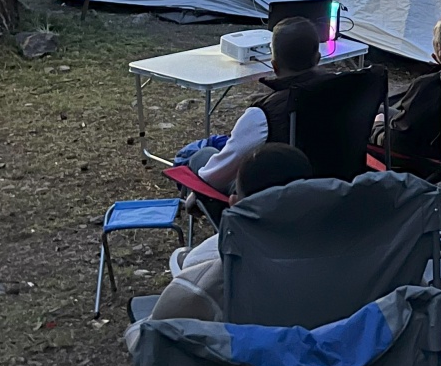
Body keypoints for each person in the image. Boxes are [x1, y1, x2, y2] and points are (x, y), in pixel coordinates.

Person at [129, 144, 315, 335]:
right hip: (320, 354)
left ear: (235, 204)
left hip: (241, 360)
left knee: (203, 155)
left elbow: (152, 340)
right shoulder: (341, 258)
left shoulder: (204, 278)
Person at [197, 17, 331, 192]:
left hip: (277, 199)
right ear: (318, 58)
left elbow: (214, 176)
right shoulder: (348, 92)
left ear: (274, 66)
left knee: (200, 155)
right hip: (334, 185)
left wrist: (197, 190)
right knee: (218, 143)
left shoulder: (264, 114)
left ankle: (193, 199)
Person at [374, 11, 441, 174]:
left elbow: (398, 141)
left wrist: (378, 126)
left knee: (364, 116)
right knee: (382, 107)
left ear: (439, 49)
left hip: (425, 160)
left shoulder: (431, 86)